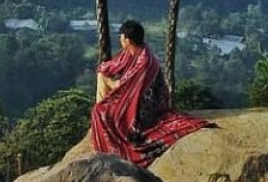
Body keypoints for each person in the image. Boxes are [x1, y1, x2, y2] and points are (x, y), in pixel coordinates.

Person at [90, 20, 210, 168]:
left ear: (128, 40)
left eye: (121, 37)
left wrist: (106, 81)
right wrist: (103, 72)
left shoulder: (143, 61)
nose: (120, 39)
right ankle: (107, 115)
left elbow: (122, 86)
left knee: (98, 111)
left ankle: (111, 132)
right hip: (135, 97)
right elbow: (113, 68)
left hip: (145, 107)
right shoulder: (132, 52)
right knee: (102, 77)